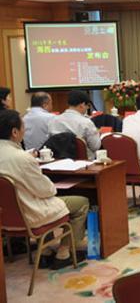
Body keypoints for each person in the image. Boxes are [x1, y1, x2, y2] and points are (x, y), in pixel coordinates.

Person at [0, 110, 89, 269]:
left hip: (5, 219)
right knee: (81, 202)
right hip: (30, 215)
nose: (24, 131)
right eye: (23, 127)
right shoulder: (22, 158)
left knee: (41, 201)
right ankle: (64, 253)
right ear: (14, 132)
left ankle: (45, 251)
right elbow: (46, 191)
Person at [48, 90, 101, 156]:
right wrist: (98, 133)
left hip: (57, 159)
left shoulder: (53, 120)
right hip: (83, 160)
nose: (87, 108)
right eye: (87, 105)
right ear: (82, 105)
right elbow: (95, 146)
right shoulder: (86, 122)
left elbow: (50, 142)